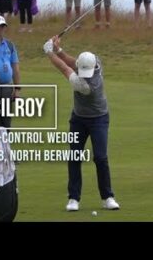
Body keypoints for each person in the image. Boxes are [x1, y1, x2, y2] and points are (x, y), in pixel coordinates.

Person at [43, 35, 120, 211]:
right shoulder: (95, 61)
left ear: (94, 68)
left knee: (100, 157)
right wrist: (58, 50)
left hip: (98, 119)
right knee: (75, 156)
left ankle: (108, 197)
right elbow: (73, 62)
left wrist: (49, 52)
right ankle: (73, 198)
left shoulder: (88, 86)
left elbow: (64, 68)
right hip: (78, 119)